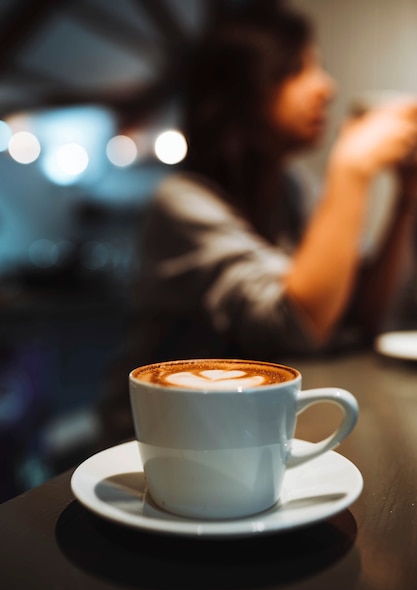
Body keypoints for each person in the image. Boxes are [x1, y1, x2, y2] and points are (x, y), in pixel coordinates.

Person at [98, 2, 417, 444]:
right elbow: (295, 325)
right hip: (160, 443)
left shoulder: (291, 190)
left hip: (251, 434)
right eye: (298, 68)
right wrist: (351, 170)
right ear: (241, 88)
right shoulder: (181, 202)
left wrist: (405, 199)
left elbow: (366, 316)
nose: (327, 87)